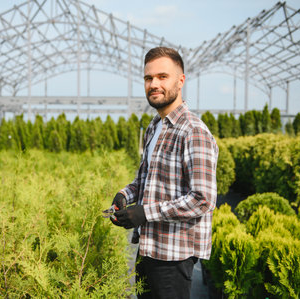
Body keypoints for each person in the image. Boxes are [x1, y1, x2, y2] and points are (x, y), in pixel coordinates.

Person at [110, 47, 219, 299]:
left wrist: (144, 213)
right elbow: (144, 180)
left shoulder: (193, 131)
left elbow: (202, 199)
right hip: (148, 249)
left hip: (174, 255)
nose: (153, 84)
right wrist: (124, 195)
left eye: (162, 77)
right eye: (148, 78)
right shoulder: (155, 126)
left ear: (180, 81)